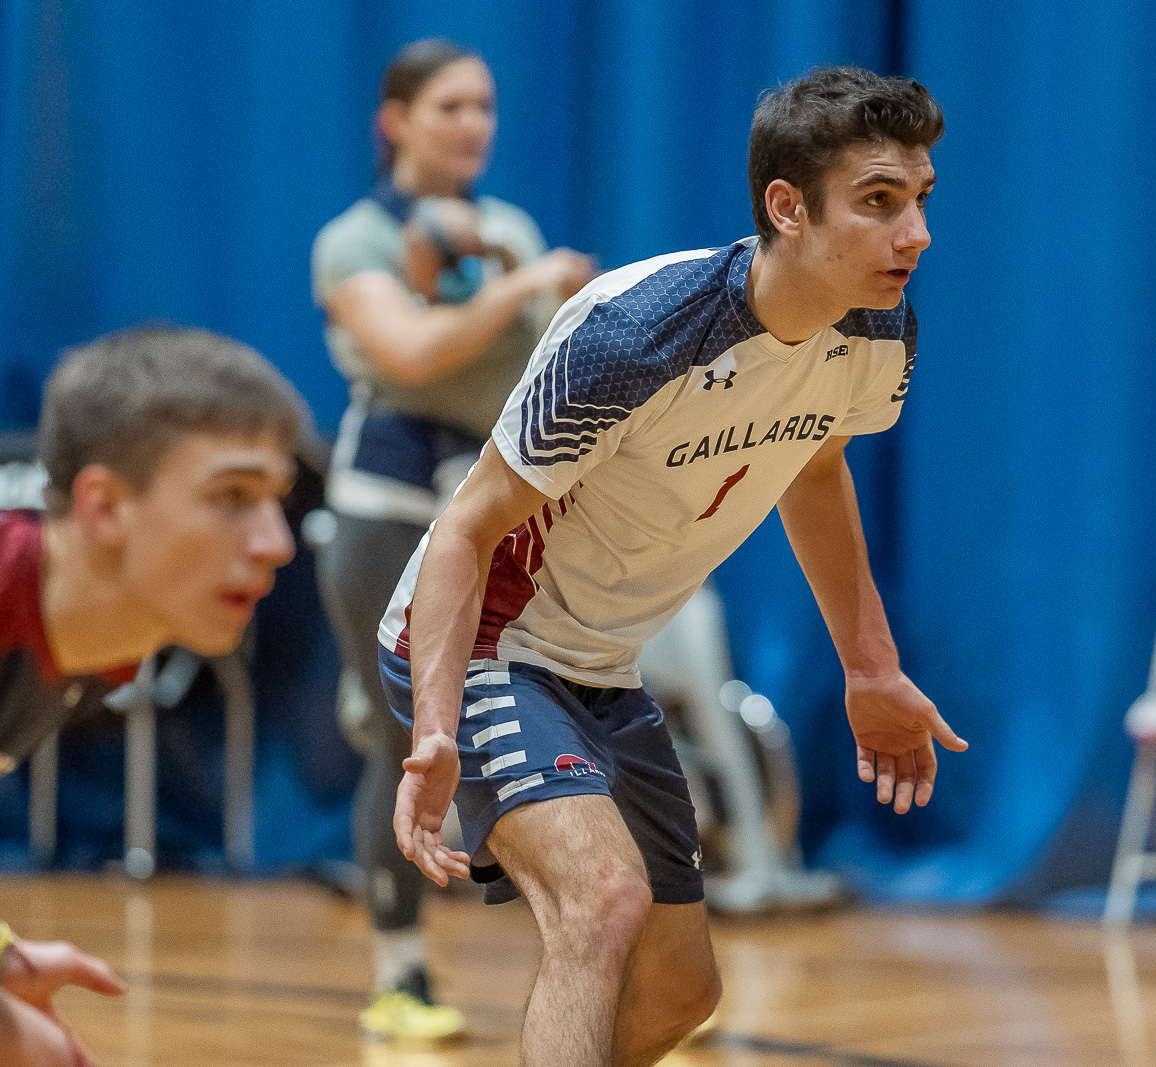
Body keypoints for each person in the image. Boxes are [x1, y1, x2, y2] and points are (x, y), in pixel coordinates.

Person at [379, 66, 964, 1067]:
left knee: (679, 992)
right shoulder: (635, 334)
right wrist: (436, 726)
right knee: (601, 898)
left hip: (602, 668)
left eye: (919, 200)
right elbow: (466, 530)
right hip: (490, 644)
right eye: (878, 202)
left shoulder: (876, 329)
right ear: (786, 207)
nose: (913, 233)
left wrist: (869, 665)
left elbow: (814, 466)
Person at [310, 37, 595, 1043]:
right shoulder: (353, 240)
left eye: (483, 106)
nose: (473, 124)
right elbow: (411, 351)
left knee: (542, 729)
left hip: (490, 510)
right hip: (384, 512)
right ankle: (400, 975)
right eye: (448, 107)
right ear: (395, 122)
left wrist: (570, 301)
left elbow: (549, 364)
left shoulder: (509, 226)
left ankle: (593, 970)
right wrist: (524, 287)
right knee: (406, 740)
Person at [0, 326, 302, 1066]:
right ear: (103, 507)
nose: (275, 542)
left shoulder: (102, 651)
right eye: (232, 495)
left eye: (276, 500)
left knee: (34, 1054)